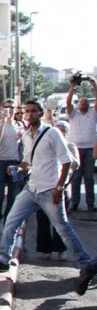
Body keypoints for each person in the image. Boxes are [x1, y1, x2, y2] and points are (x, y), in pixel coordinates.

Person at [0, 101, 97, 285]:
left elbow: (66, 161)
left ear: (40, 113)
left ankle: (86, 264)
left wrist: (59, 188)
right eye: (26, 111)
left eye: (33, 111)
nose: (29, 114)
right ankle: (3, 259)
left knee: (62, 228)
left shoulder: (52, 133)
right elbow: (28, 161)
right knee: (11, 221)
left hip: (49, 189)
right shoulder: (27, 135)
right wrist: (19, 168)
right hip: (32, 188)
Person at [36, 120, 78, 261]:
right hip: (45, 186)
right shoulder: (47, 144)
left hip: (61, 188)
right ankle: (45, 249)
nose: (60, 133)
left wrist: (64, 149)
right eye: (58, 130)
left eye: (63, 131)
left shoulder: (70, 146)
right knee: (43, 219)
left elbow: (75, 165)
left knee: (59, 222)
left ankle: (61, 249)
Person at [0, 98, 24, 232]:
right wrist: (4, 122)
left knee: (13, 195)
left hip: (14, 162)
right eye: (7, 107)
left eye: (12, 107)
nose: (9, 110)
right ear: (2, 108)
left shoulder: (20, 125)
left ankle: (7, 222)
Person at [65, 76, 97, 211]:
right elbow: (68, 102)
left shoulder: (93, 114)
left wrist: (93, 84)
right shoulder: (73, 114)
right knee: (76, 177)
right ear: (78, 104)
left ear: (89, 104)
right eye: (81, 101)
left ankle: (90, 203)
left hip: (89, 148)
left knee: (89, 177)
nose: (83, 103)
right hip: (75, 149)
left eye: (85, 102)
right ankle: (75, 203)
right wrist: (73, 86)